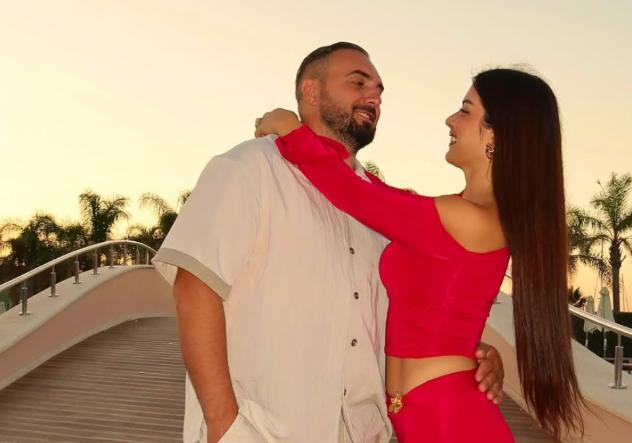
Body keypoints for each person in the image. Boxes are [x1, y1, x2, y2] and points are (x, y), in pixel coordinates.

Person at [152, 42, 505, 443]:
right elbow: (195, 287)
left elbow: (399, 308)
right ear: (311, 91)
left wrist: (467, 351)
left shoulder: (381, 207)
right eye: (358, 82)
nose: (374, 97)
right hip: (265, 432)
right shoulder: (249, 168)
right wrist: (224, 426)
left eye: (379, 90)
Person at [255, 67, 587, 442]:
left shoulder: (470, 218)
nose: (450, 120)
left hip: (451, 422)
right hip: (430, 416)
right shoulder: (461, 211)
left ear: (496, 133)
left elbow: (355, 195)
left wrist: (290, 129)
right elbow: (372, 191)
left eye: (465, 110)